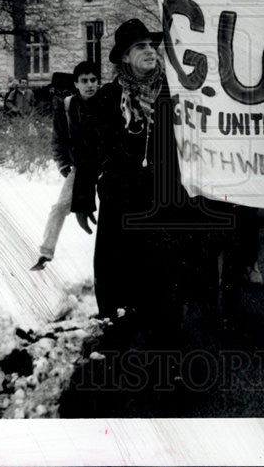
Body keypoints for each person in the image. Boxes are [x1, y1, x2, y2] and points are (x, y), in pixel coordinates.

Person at [72, 18, 197, 352]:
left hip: (166, 202)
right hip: (122, 204)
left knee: (167, 279)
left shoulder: (175, 93)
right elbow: (86, 153)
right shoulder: (107, 99)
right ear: (124, 57)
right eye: (140, 46)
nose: (150, 51)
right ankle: (120, 346)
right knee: (119, 279)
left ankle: (166, 357)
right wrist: (83, 201)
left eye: (151, 46)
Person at [30, 62, 98, 271]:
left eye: (93, 80)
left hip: (108, 167)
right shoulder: (68, 106)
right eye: (84, 81)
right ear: (76, 84)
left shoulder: (108, 102)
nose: (89, 85)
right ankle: (45, 253)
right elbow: (58, 138)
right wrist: (62, 164)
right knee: (59, 208)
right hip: (80, 168)